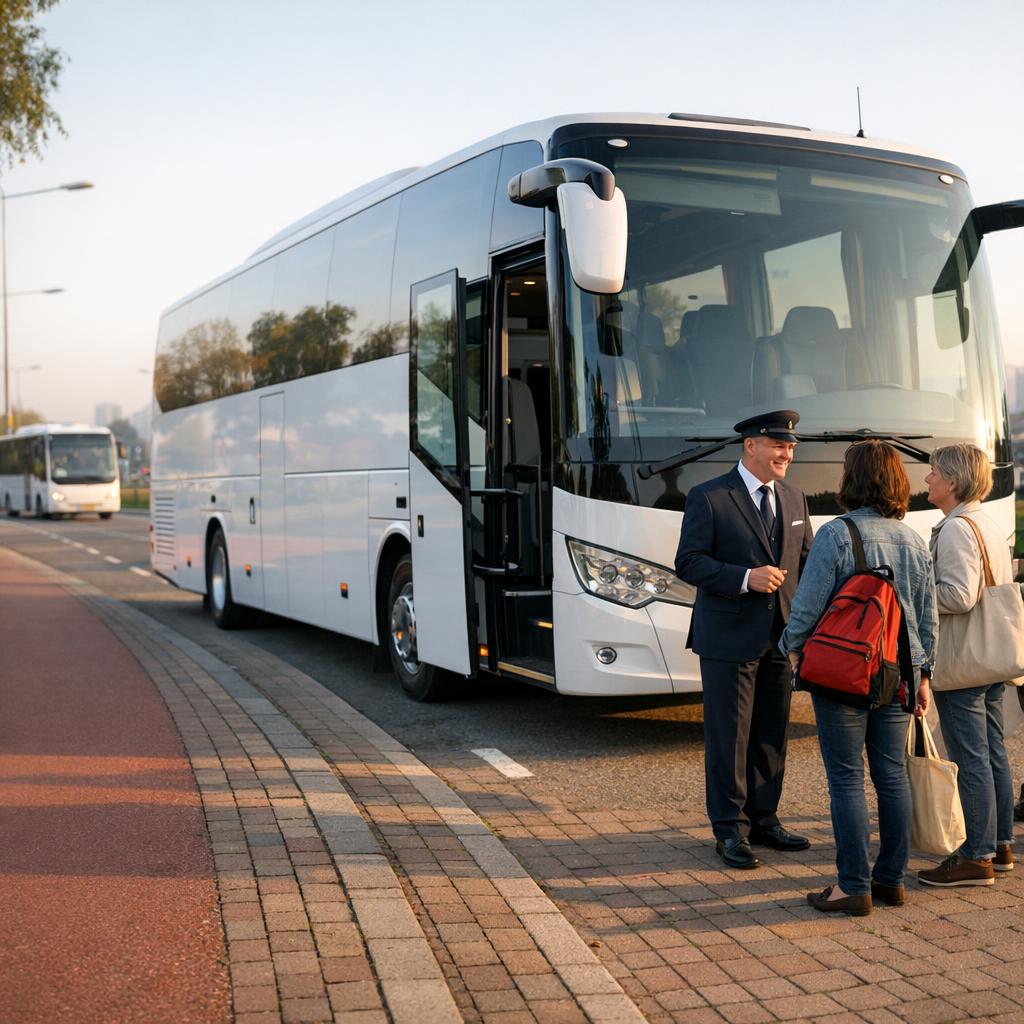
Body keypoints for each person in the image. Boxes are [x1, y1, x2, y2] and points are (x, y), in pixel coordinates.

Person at [780, 440, 935, 915]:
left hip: (846, 671)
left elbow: (808, 603)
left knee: (846, 779)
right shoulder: (912, 538)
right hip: (899, 674)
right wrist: (924, 674)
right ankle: (890, 880)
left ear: (853, 479)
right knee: (891, 776)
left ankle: (853, 886)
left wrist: (793, 649)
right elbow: (927, 617)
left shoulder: (837, 533)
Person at [675, 410, 814, 869]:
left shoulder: (794, 499)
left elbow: (808, 563)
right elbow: (689, 562)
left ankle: (765, 820)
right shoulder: (709, 497)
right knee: (729, 738)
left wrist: (804, 629)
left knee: (772, 735)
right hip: (727, 638)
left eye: (791, 447)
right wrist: (744, 578)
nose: (787, 453)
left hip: (780, 638)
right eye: (778, 445)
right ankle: (730, 832)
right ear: (750, 445)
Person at [917, 443, 1018, 886]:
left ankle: (976, 857)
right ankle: (998, 845)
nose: (927, 479)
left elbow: (959, 595)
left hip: (964, 662)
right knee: (992, 752)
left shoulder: (958, 529)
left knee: (971, 756)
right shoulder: (985, 522)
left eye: (933, 473)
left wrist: (915, 597)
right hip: (991, 657)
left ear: (953, 482)